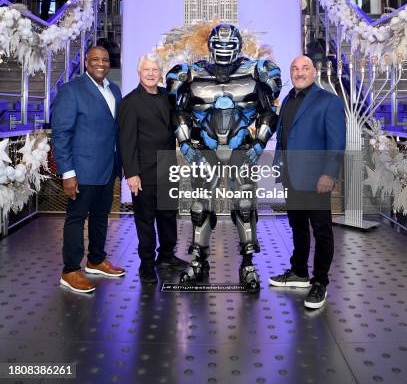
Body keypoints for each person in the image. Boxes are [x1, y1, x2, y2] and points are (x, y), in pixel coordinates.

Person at [166, 24, 281, 290]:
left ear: (239, 45)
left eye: (230, 45)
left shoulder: (255, 71)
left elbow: (268, 112)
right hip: (203, 150)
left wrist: (259, 144)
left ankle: (248, 263)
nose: (225, 50)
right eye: (220, 44)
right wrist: (185, 144)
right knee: (199, 206)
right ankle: (198, 259)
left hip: (243, 149)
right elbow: (179, 112)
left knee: (244, 204)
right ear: (210, 45)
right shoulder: (191, 73)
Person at [269, 55, 346, 309]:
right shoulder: (289, 99)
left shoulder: (329, 102)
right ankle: (299, 272)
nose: (299, 73)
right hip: (292, 175)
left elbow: (336, 142)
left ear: (314, 72)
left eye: (304, 68)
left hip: (316, 179)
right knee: (297, 225)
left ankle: (320, 282)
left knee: (321, 230)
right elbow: (283, 135)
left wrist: (329, 174)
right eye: (294, 69)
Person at [51, 46, 125, 293]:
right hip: (81, 171)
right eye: (95, 59)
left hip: (107, 168)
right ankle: (70, 270)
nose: (101, 63)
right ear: (86, 62)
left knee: (100, 217)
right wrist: (68, 172)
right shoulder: (71, 90)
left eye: (105, 59)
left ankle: (95, 260)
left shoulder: (114, 90)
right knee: (76, 218)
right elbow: (61, 134)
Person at [119, 54, 188, 284]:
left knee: (168, 216)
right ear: (139, 73)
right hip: (143, 172)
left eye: (155, 70)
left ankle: (166, 256)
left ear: (160, 73)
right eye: (146, 69)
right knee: (145, 220)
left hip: (167, 169)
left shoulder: (168, 98)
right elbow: (126, 141)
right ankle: (146, 264)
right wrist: (132, 173)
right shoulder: (130, 102)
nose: (150, 73)